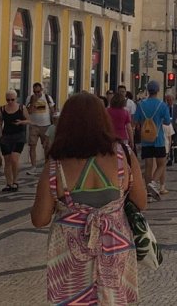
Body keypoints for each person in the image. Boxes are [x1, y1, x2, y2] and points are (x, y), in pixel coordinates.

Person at [31, 93, 147, 305]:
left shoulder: (56, 164)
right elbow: (141, 202)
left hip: (70, 259)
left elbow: (39, 219)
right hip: (115, 248)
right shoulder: (124, 155)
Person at [135, 81, 172, 199]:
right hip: (158, 139)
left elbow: (136, 121)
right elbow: (167, 121)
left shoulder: (140, 104)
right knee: (162, 164)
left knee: (148, 166)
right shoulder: (162, 105)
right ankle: (153, 183)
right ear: (157, 91)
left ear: (148, 90)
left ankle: (148, 194)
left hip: (146, 139)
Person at [0, 91, 29, 192]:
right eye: (8, 100)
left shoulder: (21, 108)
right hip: (6, 136)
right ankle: (8, 183)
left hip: (18, 136)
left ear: (16, 99)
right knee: (7, 161)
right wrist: (0, 134)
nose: (10, 102)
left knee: (14, 159)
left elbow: (29, 120)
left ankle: (15, 181)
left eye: (12, 99)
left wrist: (21, 122)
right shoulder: (2, 109)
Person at [25, 83, 56, 175]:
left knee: (47, 146)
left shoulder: (47, 97)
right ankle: (33, 166)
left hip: (45, 125)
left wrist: (53, 124)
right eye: (35, 92)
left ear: (41, 90)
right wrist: (33, 102)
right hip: (34, 125)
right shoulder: (30, 98)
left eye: (38, 92)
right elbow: (28, 112)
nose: (37, 94)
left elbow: (52, 110)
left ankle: (46, 165)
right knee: (32, 145)